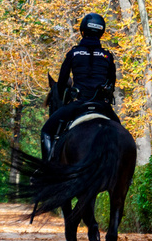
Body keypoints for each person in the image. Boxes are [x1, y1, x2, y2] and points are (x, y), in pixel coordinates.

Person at [41, 13, 120, 160]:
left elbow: (62, 82)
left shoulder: (74, 53)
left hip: (79, 104)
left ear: (83, 30)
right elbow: (112, 84)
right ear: (101, 32)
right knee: (120, 130)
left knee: (46, 131)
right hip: (102, 106)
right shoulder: (107, 56)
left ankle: (46, 170)